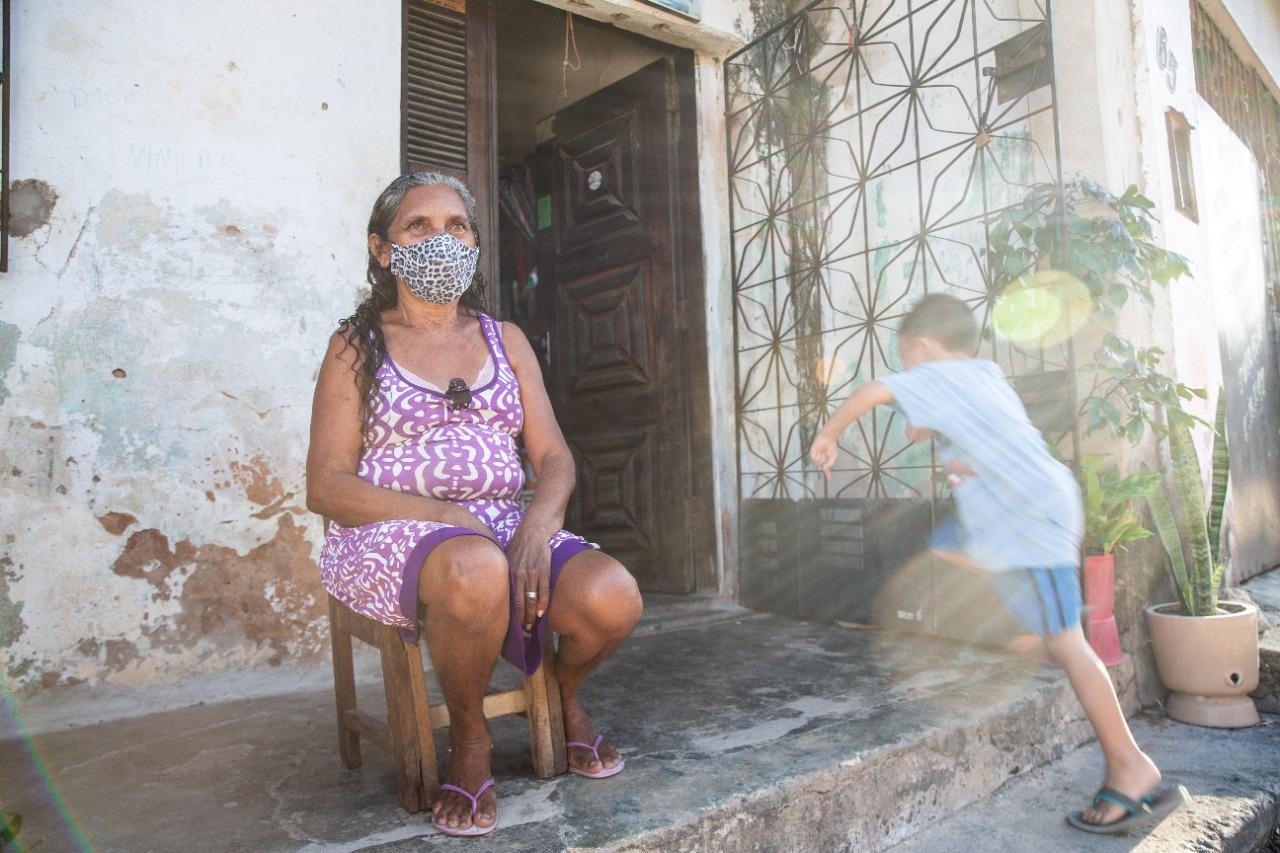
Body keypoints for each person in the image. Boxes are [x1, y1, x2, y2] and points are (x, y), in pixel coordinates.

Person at [306, 172, 642, 837]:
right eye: (418, 226)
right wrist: (447, 519)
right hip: (394, 528)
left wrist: (539, 525)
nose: (441, 239)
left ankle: (564, 692)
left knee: (613, 595)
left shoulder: (505, 338)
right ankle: (470, 734)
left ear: (475, 244)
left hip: (503, 518)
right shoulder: (356, 344)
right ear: (383, 250)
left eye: (456, 226)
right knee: (472, 568)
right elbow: (327, 485)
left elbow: (553, 457)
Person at [807, 294, 1187, 835]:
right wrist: (925, 427)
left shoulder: (937, 374)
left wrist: (829, 434)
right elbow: (961, 421)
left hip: (1027, 522)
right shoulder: (982, 375)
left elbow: (872, 391)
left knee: (1069, 646)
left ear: (925, 348)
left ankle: (1130, 766)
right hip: (1026, 517)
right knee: (947, 547)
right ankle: (1031, 631)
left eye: (909, 360)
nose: (910, 374)